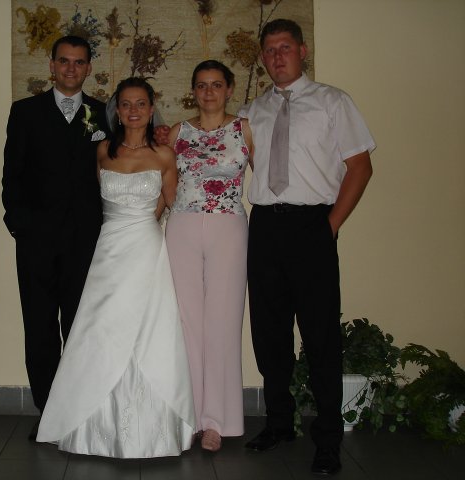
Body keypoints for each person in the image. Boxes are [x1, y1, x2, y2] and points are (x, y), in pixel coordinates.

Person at [240, 19, 375, 476]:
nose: (277, 56)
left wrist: (330, 226)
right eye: (270, 50)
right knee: (269, 334)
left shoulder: (333, 101)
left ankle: (329, 440)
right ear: (263, 57)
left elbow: (360, 167)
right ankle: (279, 424)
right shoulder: (251, 111)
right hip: (265, 227)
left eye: (285, 47)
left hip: (313, 225)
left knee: (320, 336)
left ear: (302, 51)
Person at [36, 77, 195, 458]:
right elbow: (96, 198)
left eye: (140, 103)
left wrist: (146, 225)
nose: (133, 110)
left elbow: (171, 202)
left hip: (146, 247)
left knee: (148, 330)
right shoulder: (103, 150)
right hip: (109, 248)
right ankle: (91, 422)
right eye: (126, 104)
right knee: (102, 328)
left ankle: (156, 428)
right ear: (117, 111)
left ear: (151, 108)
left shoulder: (164, 155)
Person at [1, 35, 109, 439]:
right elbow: (12, 175)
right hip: (37, 243)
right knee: (40, 327)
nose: (71, 68)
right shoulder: (25, 112)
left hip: (85, 242)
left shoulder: (103, 113)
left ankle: (78, 411)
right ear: (51, 66)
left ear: (88, 68)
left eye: (79, 62)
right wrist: (21, 226)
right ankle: (48, 412)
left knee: (81, 326)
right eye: (64, 61)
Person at [165, 60, 253, 452]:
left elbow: (269, 180)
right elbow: (165, 181)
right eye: (202, 85)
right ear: (193, 91)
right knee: (186, 322)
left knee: (222, 322)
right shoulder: (178, 132)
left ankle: (216, 422)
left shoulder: (245, 129)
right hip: (182, 226)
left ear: (229, 89)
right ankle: (189, 416)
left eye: (217, 84)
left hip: (228, 227)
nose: (209, 92)